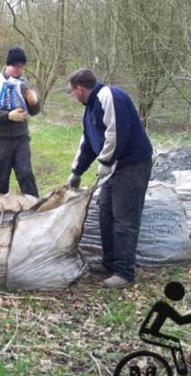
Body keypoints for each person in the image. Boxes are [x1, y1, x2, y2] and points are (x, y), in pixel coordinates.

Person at [66, 68, 153, 289]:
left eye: (71, 92)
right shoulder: (90, 109)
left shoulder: (109, 96)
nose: (72, 97)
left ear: (80, 88)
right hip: (114, 166)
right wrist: (76, 172)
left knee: (124, 218)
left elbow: (117, 134)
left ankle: (124, 273)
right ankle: (110, 263)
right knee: (105, 212)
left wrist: (105, 162)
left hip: (132, 165)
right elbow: (87, 144)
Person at [0, 46, 40, 197]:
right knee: (1, 180)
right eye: (16, 66)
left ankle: (34, 209)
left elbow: (33, 111)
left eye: (21, 66)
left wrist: (34, 103)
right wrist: (8, 116)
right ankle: (0, 213)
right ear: (8, 64)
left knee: (26, 174)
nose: (18, 70)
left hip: (21, 138)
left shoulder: (24, 83)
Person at [138, 281, 191, 375]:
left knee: (173, 341)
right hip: (148, 334)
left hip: (149, 332)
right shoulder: (164, 306)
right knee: (174, 343)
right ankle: (181, 369)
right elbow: (180, 321)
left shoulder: (160, 304)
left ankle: (179, 367)